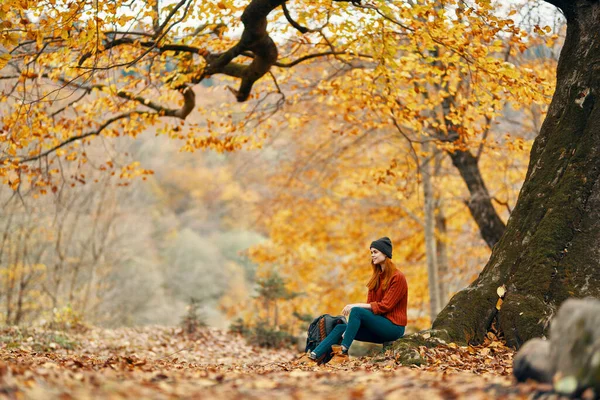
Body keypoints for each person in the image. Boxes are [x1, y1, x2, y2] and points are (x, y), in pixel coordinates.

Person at [297, 237, 408, 365]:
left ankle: (342, 353)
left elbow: (385, 306)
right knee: (341, 327)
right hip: (379, 326)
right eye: (371, 252)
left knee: (356, 311)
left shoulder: (398, 277)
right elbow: (371, 309)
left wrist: (355, 305)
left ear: (385, 253)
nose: (372, 255)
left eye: (375, 252)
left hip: (393, 328)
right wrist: (350, 328)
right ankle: (313, 356)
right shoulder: (376, 278)